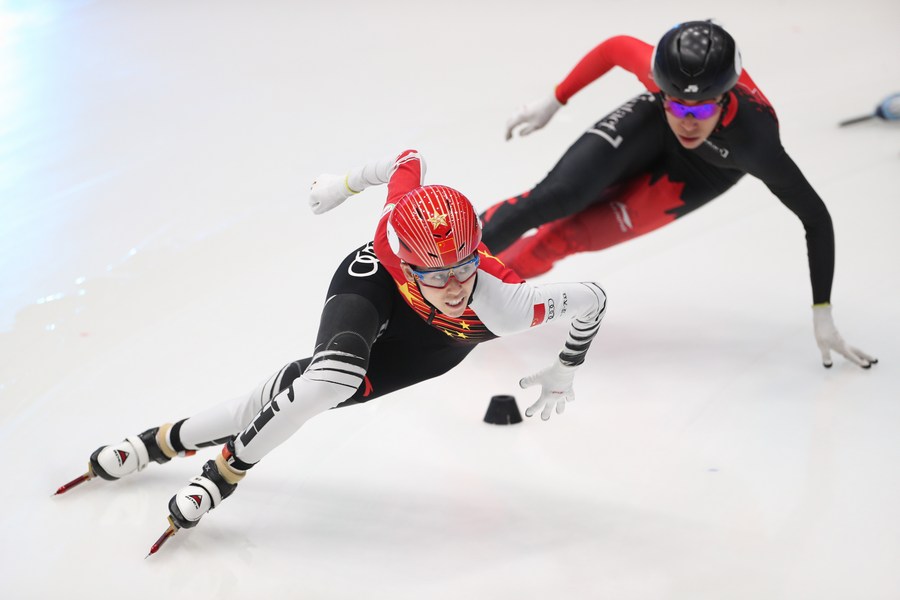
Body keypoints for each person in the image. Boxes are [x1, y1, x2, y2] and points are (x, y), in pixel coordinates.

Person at [60, 149, 607, 547]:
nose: (454, 286)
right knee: (329, 380)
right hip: (376, 284)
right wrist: (343, 185)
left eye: (464, 267)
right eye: (436, 275)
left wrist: (566, 367)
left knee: (294, 391)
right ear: (407, 256)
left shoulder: (506, 305)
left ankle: (159, 442)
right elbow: (407, 160)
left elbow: (594, 299)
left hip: (439, 343)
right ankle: (221, 475)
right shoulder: (390, 234)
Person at [479, 20, 876, 369]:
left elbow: (816, 218)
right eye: (678, 104)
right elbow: (615, 47)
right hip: (651, 124)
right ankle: (452, 259)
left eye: (700, 111)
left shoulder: (756, 143)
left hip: (705, 172)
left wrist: (822, 312)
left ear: (724, 97)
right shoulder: (663, 80)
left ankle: (481, 301)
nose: (687, 122)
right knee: (554, 198)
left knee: (565, 237)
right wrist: (555, 100)